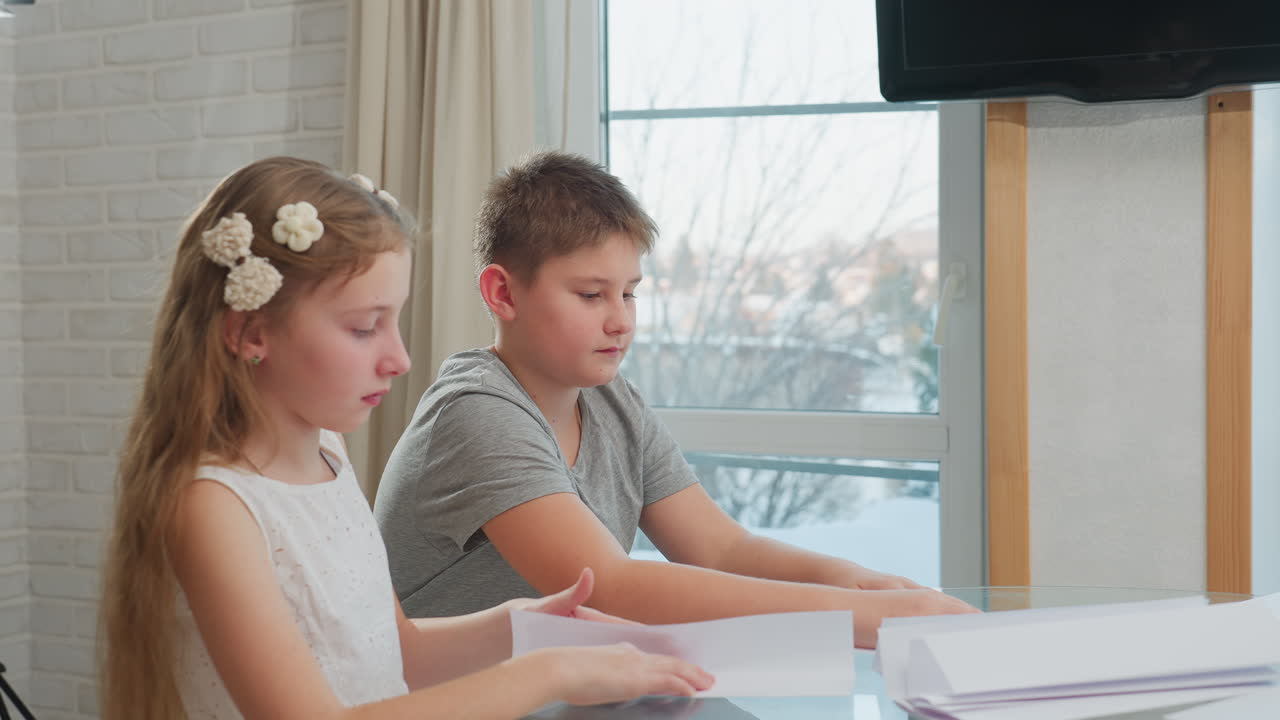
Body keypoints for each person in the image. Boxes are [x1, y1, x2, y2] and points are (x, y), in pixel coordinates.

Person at [98, 157, 713, 720]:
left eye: (394, 320)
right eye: (366, 328)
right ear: (251, 331)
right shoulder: (211, 506)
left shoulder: (326, 457)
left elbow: (397, 650)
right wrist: (551, 671)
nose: (399, 358)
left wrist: (524, 624)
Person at [374, 151, 979, 650]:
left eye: (630, 294)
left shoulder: (613, 402)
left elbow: (721, 548)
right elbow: (607, 586)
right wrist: (868, 619)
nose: (620, 322)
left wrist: (857, 583)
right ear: (502, 292)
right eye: (591, 295)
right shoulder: (476, 411)